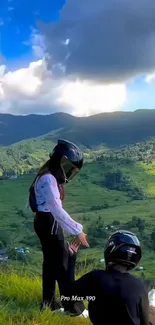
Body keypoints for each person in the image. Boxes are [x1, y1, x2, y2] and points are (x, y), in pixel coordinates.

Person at [28, 139, 89, 317]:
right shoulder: (48, 178)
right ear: (59, 160)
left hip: (45, 223)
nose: (68, 170)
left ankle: (48, 303)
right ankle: (73, 309)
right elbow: (55, 208)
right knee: (62, 268)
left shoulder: (47, 175)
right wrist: (78, 230)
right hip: (50, 224)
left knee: (50, 266)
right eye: (67, 165)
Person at [63, 230, 149, 325]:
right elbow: (145, 321)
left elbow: (68, 294)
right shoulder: (140, 286)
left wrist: (71, 258)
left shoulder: (96, 278)